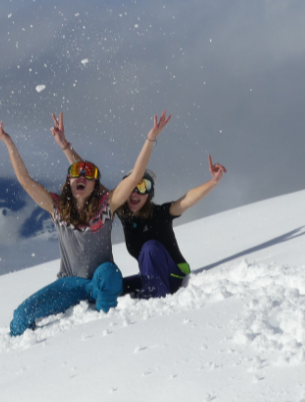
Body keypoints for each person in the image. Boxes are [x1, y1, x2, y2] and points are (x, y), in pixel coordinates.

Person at [0, 111, 171, 336]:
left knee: (109, 273)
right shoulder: (56, 208)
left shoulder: (106, 207)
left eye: (88, 175)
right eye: (76, 173)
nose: (81, 177)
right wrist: (8, 141)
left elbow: (134, 179)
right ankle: (18, 352)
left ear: (96, 186)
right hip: (69, 284)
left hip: (100, 281)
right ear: (69, 181)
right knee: (21, 316)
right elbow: (25, 180)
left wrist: (150, 138)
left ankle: (106, 331)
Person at [50, 112, 227, 299]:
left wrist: (213, 182)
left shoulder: (160, 213)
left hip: (175, 276)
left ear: (149, 194)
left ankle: (153, 296)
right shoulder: (121, 213)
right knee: (113, 287)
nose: (135, 192)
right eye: (132, 187)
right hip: (150, 278)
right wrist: (65, 146)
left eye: (143, 187)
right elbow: (88, 177)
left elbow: (187, 199)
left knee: (150, 247)